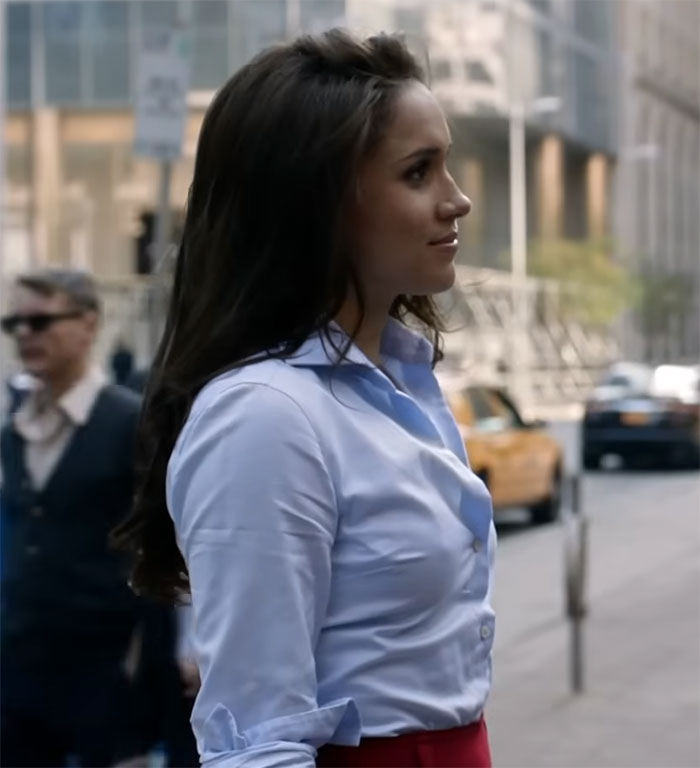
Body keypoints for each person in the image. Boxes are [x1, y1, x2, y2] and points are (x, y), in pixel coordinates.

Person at [114, 29, 496, 768]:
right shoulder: (265, 416)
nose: (458, 200)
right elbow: (257, 740)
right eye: (419, 172)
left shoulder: (403, 379)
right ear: (319, 202)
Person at [0, 269, 143, 767]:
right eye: (13, 323)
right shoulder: (17, 424)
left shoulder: (129, 420)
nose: (23, 334)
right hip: (21, 667)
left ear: (88, 324)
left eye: (39, 321)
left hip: (104, 671)